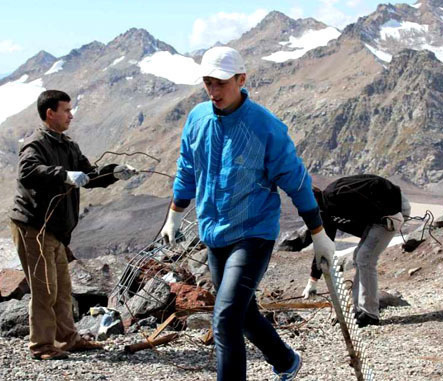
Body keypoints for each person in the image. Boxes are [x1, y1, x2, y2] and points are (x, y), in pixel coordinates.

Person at [161, 46, 335, 381]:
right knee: (242, 312)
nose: (213, 91)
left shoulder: (266, 127)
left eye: (220, 83)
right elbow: (187, 169)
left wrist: (318, 234)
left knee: (225, 318)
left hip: (253, 233)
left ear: (241, 79)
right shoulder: (197, 119)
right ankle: (286, 362)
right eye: (208, 83)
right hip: (214, 232)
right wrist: (174, 213)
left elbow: (297, 182)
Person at [9, 90, 138, 360]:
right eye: (66, 110)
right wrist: (63, 175)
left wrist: (114, 172)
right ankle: (42, 346)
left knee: (63, 287)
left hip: (55, 230)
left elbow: (88, 175)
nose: (71, 115)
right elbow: (27, 172)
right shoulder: (36, 144)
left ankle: (67, 339)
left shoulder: (67, 145)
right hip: (34, 226)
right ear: (50, 113)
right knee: (44, 288)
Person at [301, 174, 411, 328]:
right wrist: (313, 280)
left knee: (365, 258)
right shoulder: (326, 214)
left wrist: (391, 211)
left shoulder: (337, 193)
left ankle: (370, 314)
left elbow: (376, 183)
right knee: (359, 257)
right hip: (378, 219)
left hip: (392, 209)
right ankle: (359, 308)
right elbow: (324, 245)